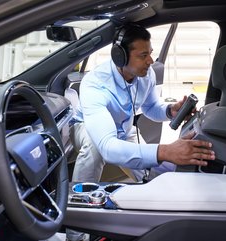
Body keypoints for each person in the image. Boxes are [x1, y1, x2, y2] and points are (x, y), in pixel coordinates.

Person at [67, 23, 215, 241]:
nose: (150, 61)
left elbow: (150, 108)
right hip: (86, 129)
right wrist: (165, 151)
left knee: (150, 171)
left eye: (151, 53)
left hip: (122, 130)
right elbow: (107, 146)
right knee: (96, 147)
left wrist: (170, 111)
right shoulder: (96, 84)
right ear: (120, 57)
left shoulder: (146, 76)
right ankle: (76, 232)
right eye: (143, 55)